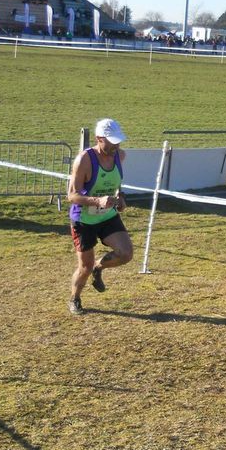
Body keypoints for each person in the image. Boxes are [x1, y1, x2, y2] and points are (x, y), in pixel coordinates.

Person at [66, 118, 133, 315]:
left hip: (107, 216)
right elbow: (72, 195)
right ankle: (75, 298)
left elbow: (116, 184)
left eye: (118, 140)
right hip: (84, 220)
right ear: (98, 139)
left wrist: (120, 198)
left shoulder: (120, 156)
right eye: (111, 141)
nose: (115, 145)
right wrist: (97, 201)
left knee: (126, 253)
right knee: (84, 268)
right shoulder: (84, 160)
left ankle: (99, 268)